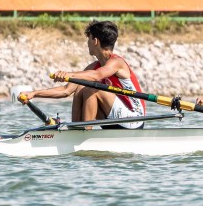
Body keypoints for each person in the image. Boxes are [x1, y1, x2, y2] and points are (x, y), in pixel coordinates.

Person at [15, 20, 146, 128]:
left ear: (95, 41)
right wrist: (34, 93)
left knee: (90, 89)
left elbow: (96, 76)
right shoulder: (93, 67)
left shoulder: (117, 62)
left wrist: (68, 74)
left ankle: (84, 132)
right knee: (80, 87)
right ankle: (77, 129)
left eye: (88, 39)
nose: (87, 43)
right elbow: (66, 91)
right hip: (115, 118)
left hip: (134, 119)